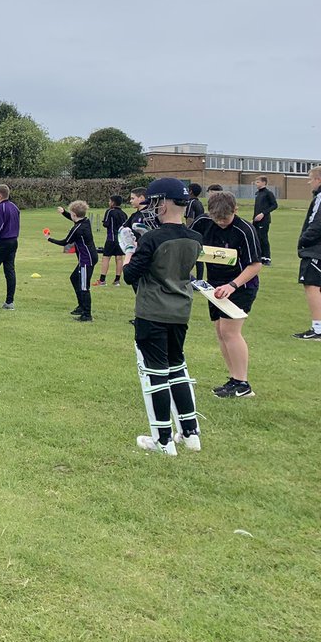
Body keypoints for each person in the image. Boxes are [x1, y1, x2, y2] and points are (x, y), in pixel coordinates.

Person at [122, 178, 203, 456]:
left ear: (165, 203)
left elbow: (130, 275)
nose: (152, 207)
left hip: (153, 310)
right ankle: (191, 434)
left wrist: (130, 251)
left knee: (156, 374)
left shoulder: (154, 238)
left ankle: (163, 440)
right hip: (180, 310)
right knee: (177, 368)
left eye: (155, 202)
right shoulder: (195, 238)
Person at [190, 191, 262, 398]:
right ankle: (234, 379)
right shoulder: (203, 222)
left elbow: (255, 265)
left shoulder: (244, 230)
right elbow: (187, 239)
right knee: (221, 332)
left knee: (231, 332)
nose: (221, 222)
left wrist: (232, 285)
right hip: (214, 287)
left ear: (235, 210)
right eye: (216, 218)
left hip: (241, 286)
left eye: (225, 218)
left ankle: (243, 383)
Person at [49, 201, 99, 322]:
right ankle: (81, 306)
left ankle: (87, 315)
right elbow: (74, 219)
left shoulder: (77, 229)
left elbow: (65, 242)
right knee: (74, 278)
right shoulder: (85, 221)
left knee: (84, 287)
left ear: (74, 214)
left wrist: (49, 239)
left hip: (86, 260)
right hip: (90, 256)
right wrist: (64, 213)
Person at [294, 165, 321, 341]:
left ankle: (317, 328)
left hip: (316, 250)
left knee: (311, 285)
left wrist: (303, 240)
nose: (309, 182)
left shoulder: (320, 197)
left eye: (311, 179)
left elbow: (316, 223)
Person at [95, 195, 126, 287]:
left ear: (112, 203)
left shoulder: (109, 211)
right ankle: (117, 280)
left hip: (111, 238)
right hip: (121, 239)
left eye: (109, 201)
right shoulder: (123, 214)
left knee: (106, 258)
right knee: (119, 258)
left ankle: (102, 280)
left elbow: (106, 224)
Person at [252, 175, 278, 265]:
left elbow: (274, 205)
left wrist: (263, 214)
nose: (256, 184)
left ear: (264, 183)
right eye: (256, 182)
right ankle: (260, 257)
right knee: (256, 238)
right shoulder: (258, 193)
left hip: (264, 220)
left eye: (258, 182)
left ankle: (267, 258)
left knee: (263, 238)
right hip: (256, 220)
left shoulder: (268, 193)